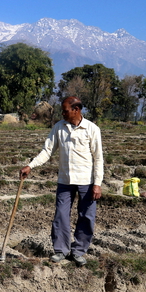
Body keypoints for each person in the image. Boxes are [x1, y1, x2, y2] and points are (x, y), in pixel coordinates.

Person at [20, 96, 104, 266]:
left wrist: (97, 183)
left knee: (86, 216)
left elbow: (98, 158)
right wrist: (30, 166)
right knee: (61, 216)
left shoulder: (92, 129)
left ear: (76, 110)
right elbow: (47, 151)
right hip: (65, 180)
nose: (63, 113)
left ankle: (79, 251)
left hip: (86, 181)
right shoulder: (59, 127)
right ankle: (61, 251)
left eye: (65, 110)